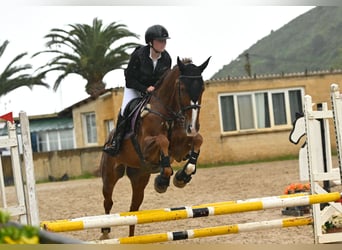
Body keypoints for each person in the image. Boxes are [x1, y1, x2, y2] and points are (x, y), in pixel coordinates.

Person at [103, 24, 172, 156]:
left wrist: (155, 89)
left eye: (164, 41)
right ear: (150, 42)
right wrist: (145, 88)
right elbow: (129, 79)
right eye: (160, 41)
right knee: (125, 110)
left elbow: (164, 79)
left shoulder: (167, 58)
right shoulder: (139, 55)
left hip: (153, 92)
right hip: (134, 88)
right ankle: (115, 143)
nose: (163, 44)